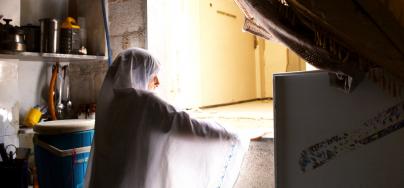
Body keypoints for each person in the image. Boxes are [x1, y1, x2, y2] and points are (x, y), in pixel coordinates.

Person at [85, 48, 249, 188]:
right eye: (152, 74)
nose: (157, 82)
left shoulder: (111, 105)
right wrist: (234, 135)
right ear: (138, 72)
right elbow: (186, 125)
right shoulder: (145, 103)